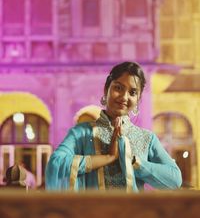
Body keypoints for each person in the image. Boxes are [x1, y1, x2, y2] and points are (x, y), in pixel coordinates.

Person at [45, 61, 182, 191]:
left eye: (133, 92)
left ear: (138, 99)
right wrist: (107, 158)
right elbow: (56, 164)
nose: (124, 97)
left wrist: (132, 161)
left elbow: (175, 179)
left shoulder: (146, 138)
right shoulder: (82, 133)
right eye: (118, 88)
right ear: (106, 90)